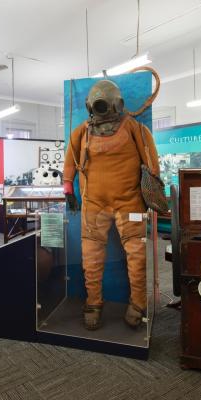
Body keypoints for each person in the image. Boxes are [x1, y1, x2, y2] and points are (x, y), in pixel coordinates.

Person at [63, 79, 161, 331]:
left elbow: (151, 164)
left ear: (117, 104)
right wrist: (67, 188)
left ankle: (138, 302)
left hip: (130, 203)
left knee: (136, 255)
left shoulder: (135, 129)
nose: (102, 107)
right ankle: (93, 302)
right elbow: (70, 162)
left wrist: (152, 194)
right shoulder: (82, 132)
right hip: (94, 204)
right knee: (91, 258)